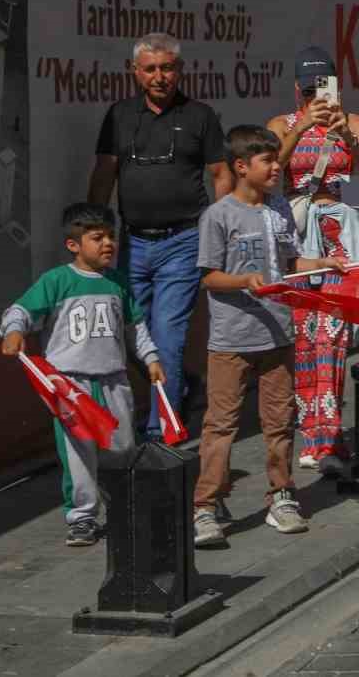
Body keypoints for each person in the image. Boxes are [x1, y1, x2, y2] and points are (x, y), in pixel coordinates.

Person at [192, 125, 344, 548]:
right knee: (221, 425)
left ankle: (281, 496)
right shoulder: (218, 216)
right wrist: (244, 281)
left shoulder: (279, 208)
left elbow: (291, 262)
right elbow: (208, 277)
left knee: (279, 423)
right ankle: (206, 506)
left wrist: (324, 262)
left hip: (278, 335)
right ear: (241, 167)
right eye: (268, 161)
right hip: (230, 341)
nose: (278, 166)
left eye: (278, 160)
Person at [88, 32, 232, 440]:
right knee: (130, 337)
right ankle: (181, 384)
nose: (160, 76)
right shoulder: (119, 115)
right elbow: (103, 175)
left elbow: (221, 176)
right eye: (150, 68)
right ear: (135, 72)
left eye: (167, 67)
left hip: (183, 242)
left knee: (167, 336)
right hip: (131, 244)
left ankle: (159, 430)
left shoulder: (200, 116)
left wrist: (218, 234)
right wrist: (94, 234)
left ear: (179, 70)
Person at [0, 203, 164, 546]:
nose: (107, 244)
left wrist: (150, 358)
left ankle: (123, 506)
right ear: (74, 245)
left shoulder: (118, 283)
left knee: (122, 448)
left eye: (111, 237)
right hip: (70, 386)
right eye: (97, 237)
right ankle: (82, 517)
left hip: (114, 381)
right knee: (78, 453)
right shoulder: (56, 281)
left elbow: (136, 329)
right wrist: (15, 331)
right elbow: (20, 310)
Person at [269, 46, 359, 477]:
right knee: (303, 336)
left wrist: (346, 139)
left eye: (323, 86)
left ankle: (328, 436)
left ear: (336, 85)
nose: (315, 95)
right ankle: (309, 433)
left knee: (335, 333)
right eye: (308, 88)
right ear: (297, 88)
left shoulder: (354, 122)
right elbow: (270, 171)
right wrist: (300, 130)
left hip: (340, 232)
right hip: (299, 233)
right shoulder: (280, 124)